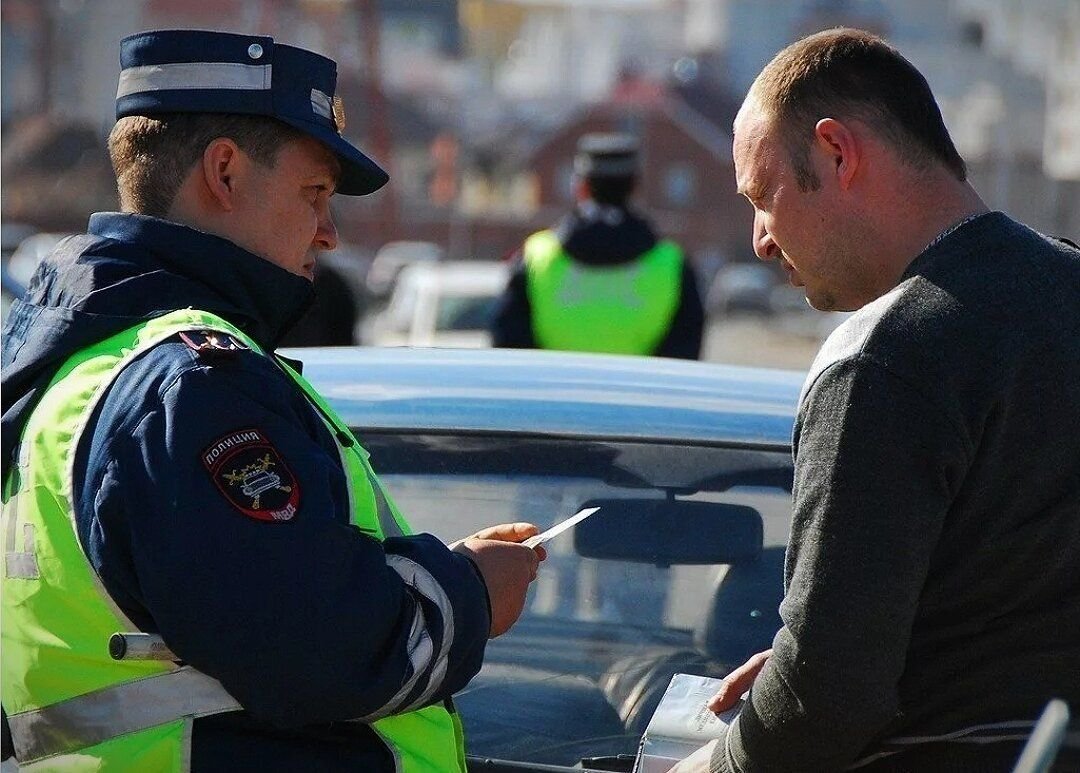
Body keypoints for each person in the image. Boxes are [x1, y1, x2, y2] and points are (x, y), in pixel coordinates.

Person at [0, 30, 545, 771]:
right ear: (224, 171)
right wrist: (473, 592)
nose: (328, 230)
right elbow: (319, 647)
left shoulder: (86, 357)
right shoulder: (193, 385)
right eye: (313, 193)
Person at [672, 28, 1080, 773]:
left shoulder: (888, 356)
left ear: (837, 151)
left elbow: (827, 695)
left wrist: (711, 765)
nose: (760, 239)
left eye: (763, 196)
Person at [491, 133, 705, 359]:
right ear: (635, 186)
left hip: (556, 392)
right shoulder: (671, 264)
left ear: (581, 186)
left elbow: (508, 347)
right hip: (639, 394)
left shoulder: (537, 256)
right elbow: (685, 355)